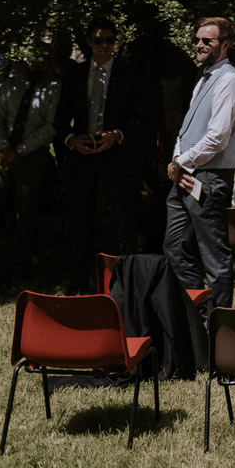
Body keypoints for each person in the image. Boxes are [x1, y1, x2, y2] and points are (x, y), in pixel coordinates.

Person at [163, 17, 235, 319]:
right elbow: (186, 130)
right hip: (185, 175)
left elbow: (218, 137)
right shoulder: (204, 78)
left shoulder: (230, 80)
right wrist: (177, 161)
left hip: (210, 177)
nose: (199, 45)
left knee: (214, 257)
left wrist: (181, 162)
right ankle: (198, 318)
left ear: (225, 45)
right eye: (198, 39)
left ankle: (219, 327)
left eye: (206, 41)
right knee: (174, 248)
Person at [55, 18, 149, 283]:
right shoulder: (75, 74)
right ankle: (79, 280)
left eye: (110, 40)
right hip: (83, 155)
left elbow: (144, 118)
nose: (105, 45)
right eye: (99, 40)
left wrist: (117, 135)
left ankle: (127, 280)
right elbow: (60, 120)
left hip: (116, 156)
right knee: (81, 220)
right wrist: (72, 140)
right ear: (89, 42)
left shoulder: (128, 74)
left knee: (124, 220)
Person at [0, 48, 60, 277]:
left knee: (27, 208)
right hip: (2, 151)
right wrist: (5, 147)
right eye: (31, 58)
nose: (35, 63)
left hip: (32, 154)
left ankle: (19, 263)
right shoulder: (12, 84)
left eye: (40, 57)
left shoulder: (53, 87)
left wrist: (21, 151)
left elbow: (49, 126)